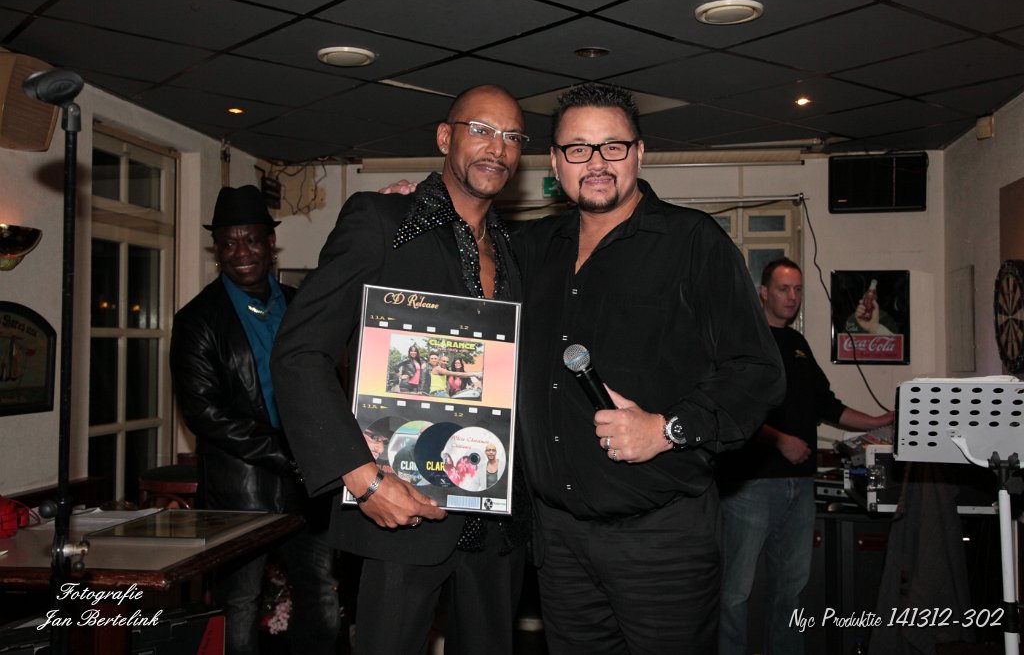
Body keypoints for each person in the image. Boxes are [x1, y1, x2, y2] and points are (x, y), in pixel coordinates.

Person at [514, 83, 785, 654]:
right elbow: (458, 255)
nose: (596, 162)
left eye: (612, 146)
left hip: (661, 541)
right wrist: (412, 204)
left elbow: (756, 371)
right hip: (557, 541)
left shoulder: (693, 242)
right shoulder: (530, 247)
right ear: (555, 163)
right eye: (578, 148)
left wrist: (667, 429)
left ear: (639, 153)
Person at [270, 84, 532, 655]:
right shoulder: (382, 220)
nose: (497, 148)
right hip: (400, 508)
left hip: (496, 525)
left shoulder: (516, 251)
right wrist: (362, 480)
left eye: (512, 137)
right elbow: (299, 353)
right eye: (481, 130)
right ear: (444, 137)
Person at [169, 185, 339, 655]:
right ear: (217, 249)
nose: (241, 252)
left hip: (311, 487)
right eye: (228, 243)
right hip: (239, 492)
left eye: (251, 240)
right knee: (239, 603)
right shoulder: (197, 320)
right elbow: (205, 413)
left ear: (270, 242)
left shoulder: (301, 305)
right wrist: (288, 454)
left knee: (321, 593)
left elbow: (329, 382)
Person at [717, 257, 895, 655]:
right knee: (734, 592)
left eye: (798, 290)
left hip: (799, 485)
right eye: (784, 289)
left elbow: (826, 405)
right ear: (763, 292)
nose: (792, 297)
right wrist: (780, 440)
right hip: (751, 487)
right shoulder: (742, 341)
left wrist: (878, 420)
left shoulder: (797, 344)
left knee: (791, 590)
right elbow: (730, 412)